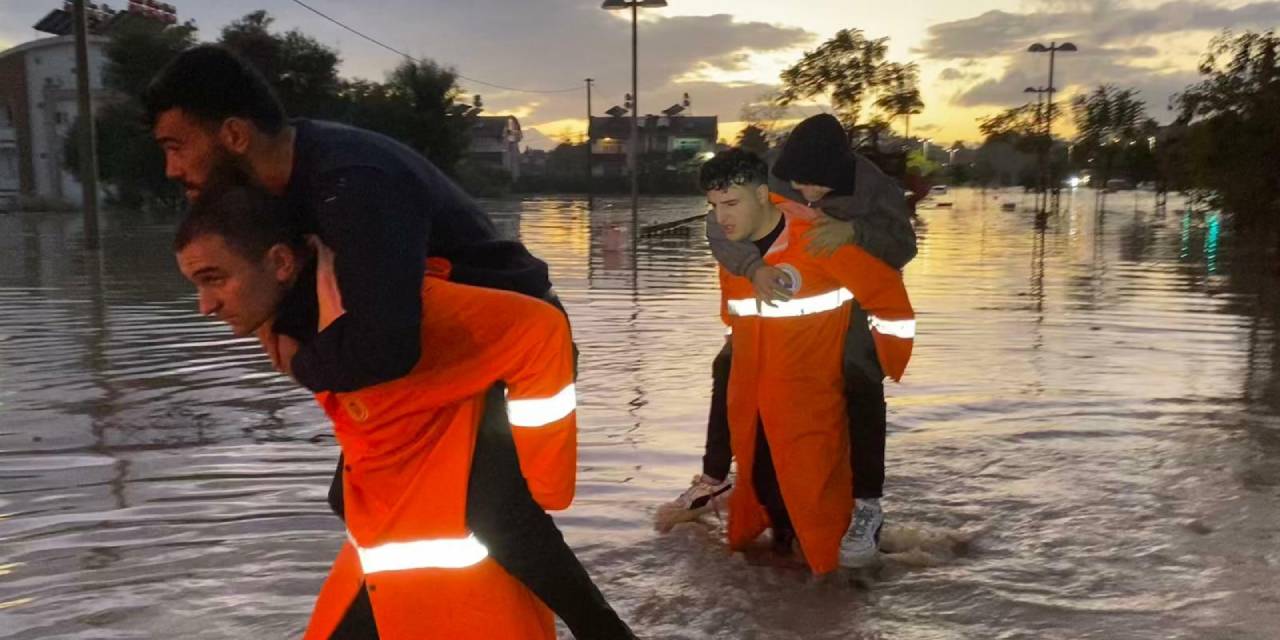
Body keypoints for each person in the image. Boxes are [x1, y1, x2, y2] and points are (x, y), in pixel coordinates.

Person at [147, 46, 632, 638]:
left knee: (494, 511)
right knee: (351, 501)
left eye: (176, 146)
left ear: (233, 134)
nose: (172, 169)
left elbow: (385, 347)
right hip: (430, 353)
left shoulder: (354, 184)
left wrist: (302, 361)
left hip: (502, 348)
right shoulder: (278, 186)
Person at [175, 185, 599, 638]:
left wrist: (548, 479)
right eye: (198, 284)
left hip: (473, 582)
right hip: (386, 568)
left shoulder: (399, 310)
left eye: (214, 279)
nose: (205, 306)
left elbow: (541, 330)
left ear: (281, 263)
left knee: (501, 517)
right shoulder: (294, 318)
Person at [660, 114, 917, 567]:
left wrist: (854, 231)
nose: (808, 194)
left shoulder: (876, 188)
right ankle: (716, 477)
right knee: (729, 368)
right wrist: (752, 268)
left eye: (819, 187)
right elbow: (721, 224)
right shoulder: (770, 178)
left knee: (860, 378)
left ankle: (867, 504)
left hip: (851, 291)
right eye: (800, 184)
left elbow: (903, 246)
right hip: (775, 294)